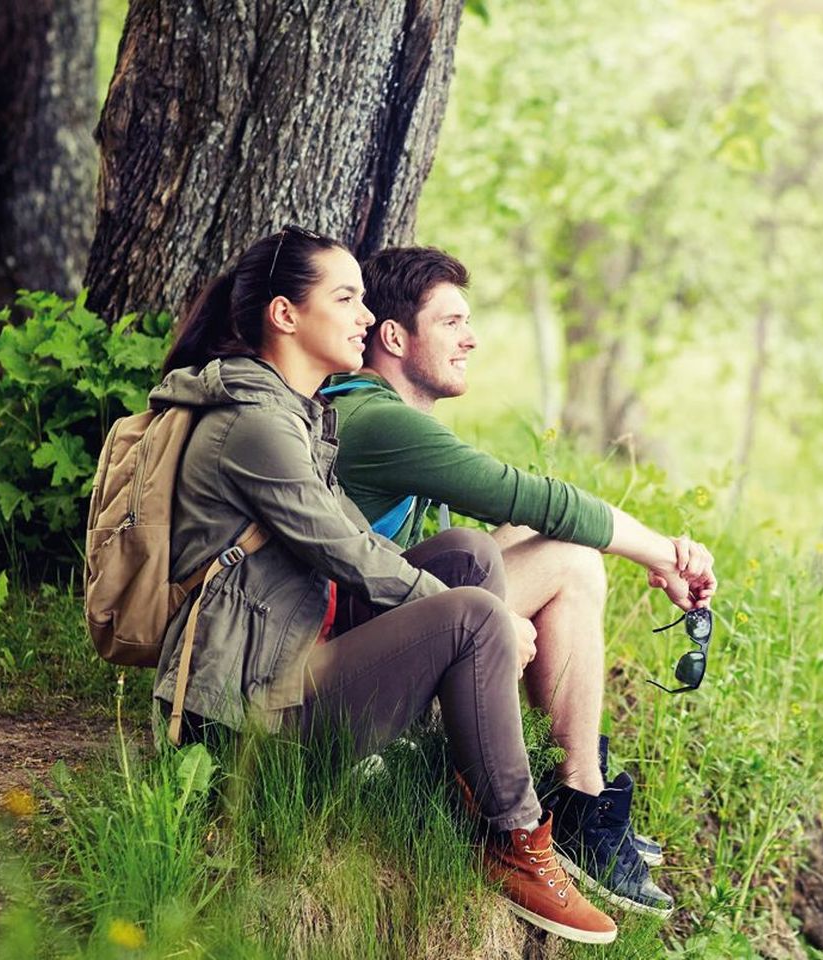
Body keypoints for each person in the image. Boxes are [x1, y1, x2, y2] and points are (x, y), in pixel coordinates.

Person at [149, 226, 616, 944]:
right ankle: (519, 838)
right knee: (472, 614)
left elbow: (363, 544)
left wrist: (472, 601)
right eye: (346, 299)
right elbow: (350, 553)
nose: (365, 318)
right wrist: (491, 622)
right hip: (243, 724)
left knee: (465, 556)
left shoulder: (297, 414)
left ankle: (471, 775)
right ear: (286, 315)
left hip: (285, 663)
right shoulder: (257, 426)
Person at [326, 246, 717, 917]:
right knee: (571, 557)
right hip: (343, 670)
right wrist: (661, 553)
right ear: (394, 337)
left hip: (361, 629)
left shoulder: (369, 411)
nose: (470, 337)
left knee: (542, 547)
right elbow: (532, 496)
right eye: (451, 322)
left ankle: (571, 791)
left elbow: (521, 516)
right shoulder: (378, 421)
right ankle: (579, 799)